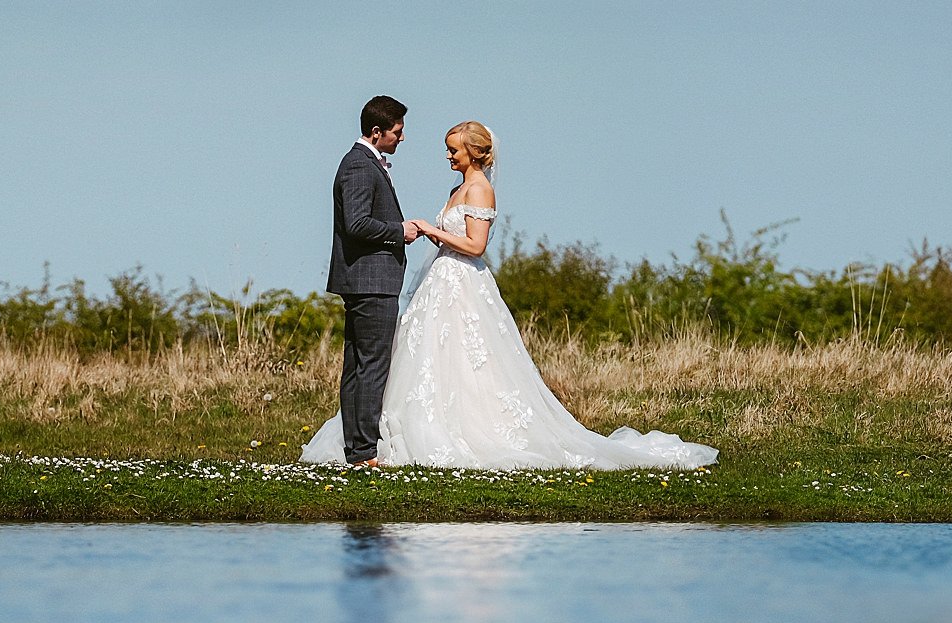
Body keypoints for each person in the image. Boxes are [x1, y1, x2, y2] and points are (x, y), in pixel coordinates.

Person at [304, 120, 718, 470]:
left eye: (454, 151)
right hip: (441, 281)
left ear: (474, 154)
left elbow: (475, 246)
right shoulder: (457, 188)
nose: (448, 157)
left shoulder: (480, 189)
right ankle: (386, 437)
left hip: (464, 282)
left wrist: (430, 231)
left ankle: (465, 433)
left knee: (469, 359)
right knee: (427, 357)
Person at [326, 95, 423, 468]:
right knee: (371, 366)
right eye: (397, 132)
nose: (402, 138)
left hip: (366, 281)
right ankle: (364, 452)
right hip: (372, 281)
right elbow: (357, 223)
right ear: (377, 131)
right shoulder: (360, 167)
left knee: (358, 366)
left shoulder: (363, 164)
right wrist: (399, 231)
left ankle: (357, 450)